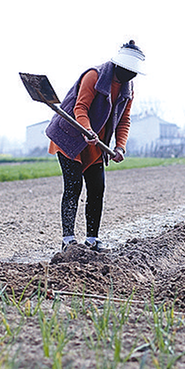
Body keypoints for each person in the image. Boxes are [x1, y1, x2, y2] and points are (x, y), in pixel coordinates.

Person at [45, 40, 145, 252]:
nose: (129, 75)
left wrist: (120, 147)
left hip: (96, 143)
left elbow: (124, 119)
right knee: (73, 187)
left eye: (133, 72)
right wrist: (86, 130)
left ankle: (92, 240)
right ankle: (68, 240)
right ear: (118, 65)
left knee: (97, 188)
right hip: (70, 136)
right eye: (126, 70)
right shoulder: (94, 76)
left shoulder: (129, 89)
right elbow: (80, 108)